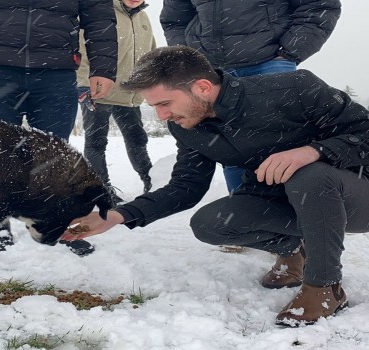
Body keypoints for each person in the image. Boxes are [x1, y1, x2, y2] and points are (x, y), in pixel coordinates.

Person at [62, 46, 369, 326]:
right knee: (211, 224)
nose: (162, 115)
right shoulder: (188, 126)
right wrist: (116, 216)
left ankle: (324, 287)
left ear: (203, 87)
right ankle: (292, 250)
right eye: (155, 107)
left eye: (165, 103)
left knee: (310, 175)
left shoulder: (295, 88)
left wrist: (313, 151)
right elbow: (185, 187)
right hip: (285, 200)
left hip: (353, 195)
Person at [0, 0, 118, 257]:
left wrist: (104, 68)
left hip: (56, 70)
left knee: (56, 155)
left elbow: (99, 15)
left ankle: (61, 224)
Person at [160, 0, 341, 192]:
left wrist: (289, 52)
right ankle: (245, 208)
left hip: (270, 62)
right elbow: (174, 20)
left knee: (286, 144)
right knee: (231, 146)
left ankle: (300, 210)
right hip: (213, 71)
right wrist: (193, 57)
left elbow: (319, 5)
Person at [76, 0, 156, 205]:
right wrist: (84, 84)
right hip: (100, 91)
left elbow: (152, 54)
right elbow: (83, 50)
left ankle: (152, 182)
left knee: (137, 139)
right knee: (96, 143)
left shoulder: (143, 17)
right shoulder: (101, 14)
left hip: (129, 93)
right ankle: (102, 191)